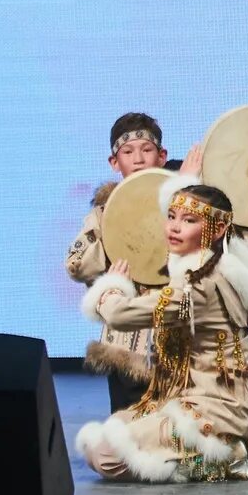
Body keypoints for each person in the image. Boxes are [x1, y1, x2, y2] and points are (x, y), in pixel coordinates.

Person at [76, 178, 248, 482]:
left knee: (106, 456)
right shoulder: (213, 266)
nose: (174, 227)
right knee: (111, 432)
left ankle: (231, 457)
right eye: (171, 217)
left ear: (217, 230)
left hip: (217, 407)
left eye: (188, 220)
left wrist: (111, 288)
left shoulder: (199, 284)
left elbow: (121, 315)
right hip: (192, 394)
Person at [68, 113, 172, 412]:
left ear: (162, 156)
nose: (138, 159)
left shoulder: (183, 203)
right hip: (127, 343)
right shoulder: (104, 212)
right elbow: (75, 264)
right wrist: (108, 277)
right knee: (129, 437)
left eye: (147, 150)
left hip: (175, 331)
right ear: (115, 162)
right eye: (128, 152)